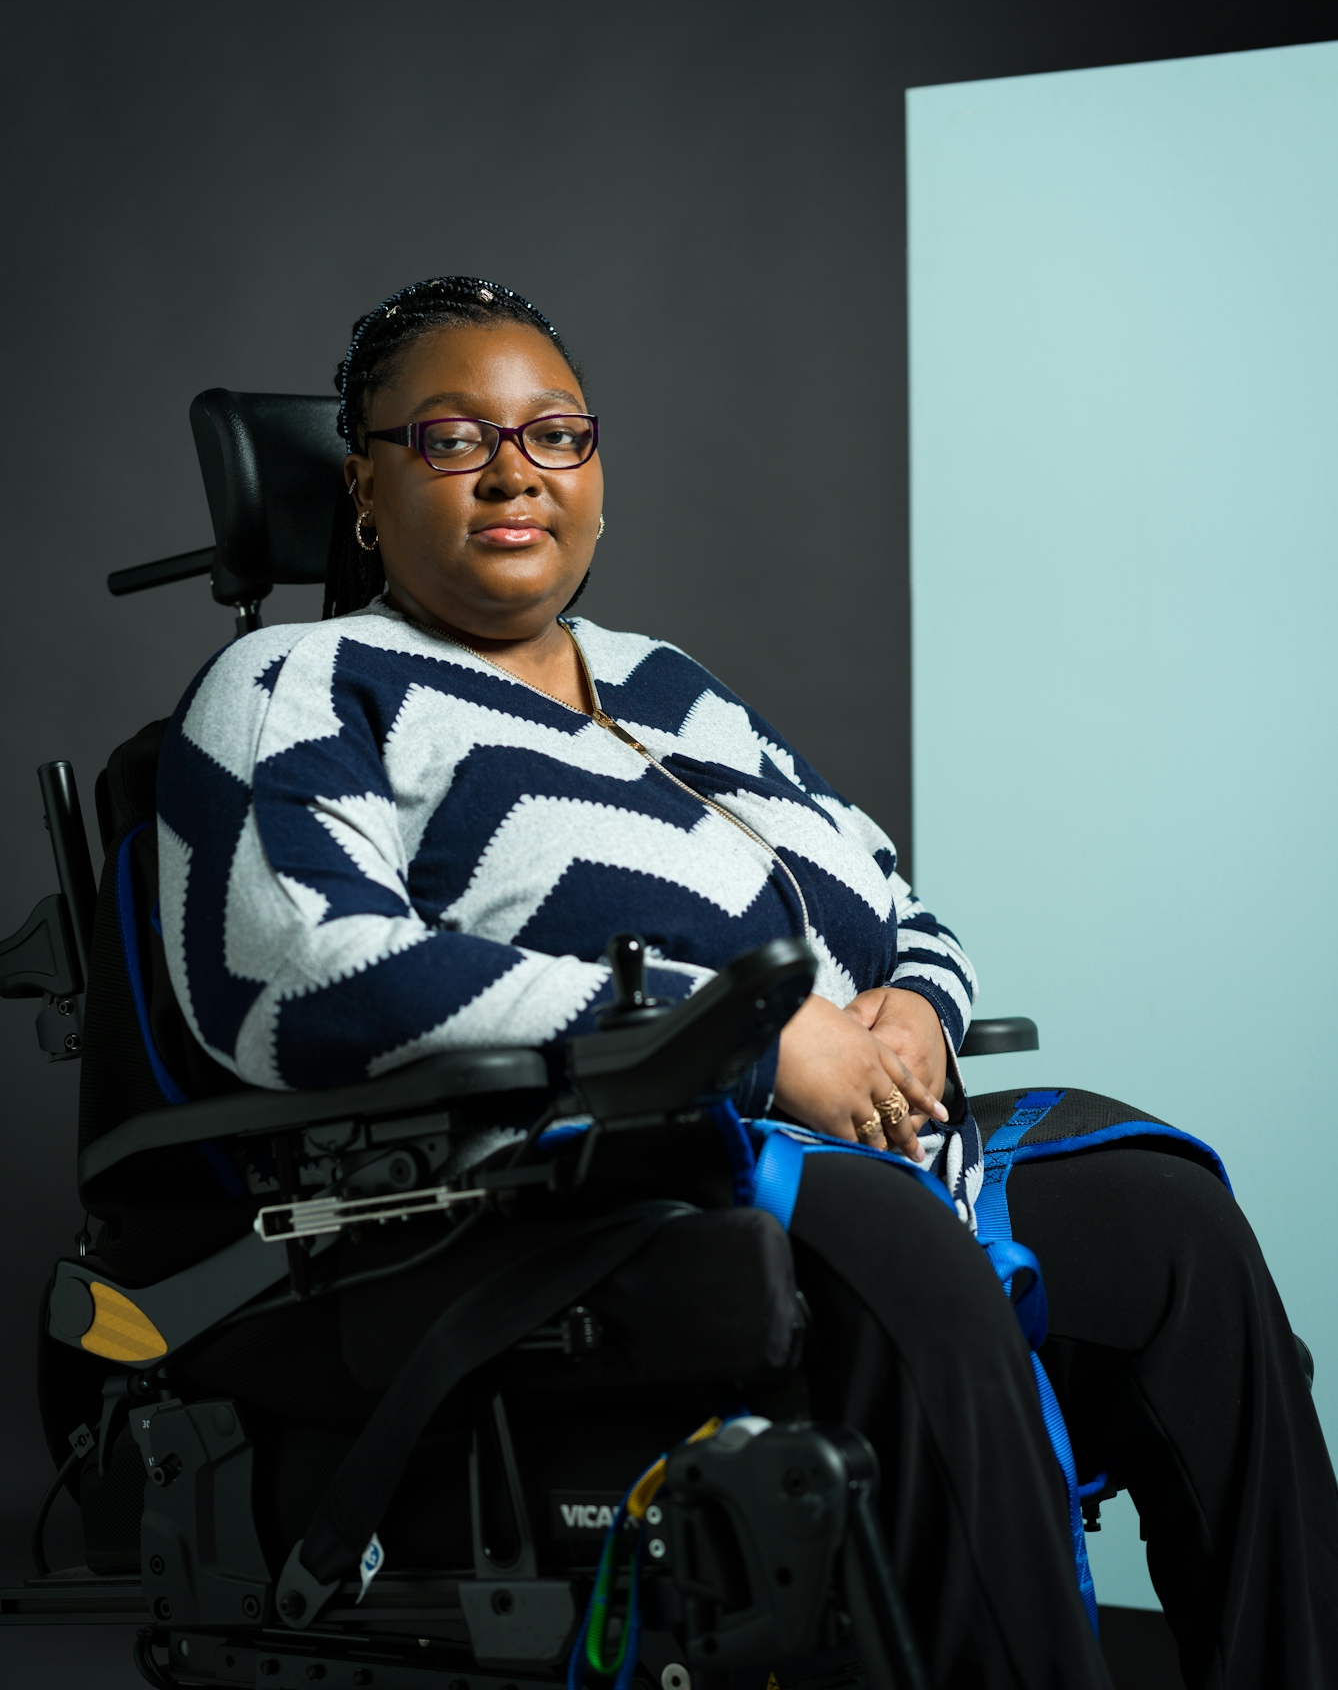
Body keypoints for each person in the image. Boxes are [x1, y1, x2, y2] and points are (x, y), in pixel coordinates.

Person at [157, 276, 1338, 1689]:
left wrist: (910, 1009)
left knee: (1165, 1221)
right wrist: (752, 1049)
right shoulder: (302, 679)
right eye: (453, 439)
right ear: (364, 484)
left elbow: (898, 904)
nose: (513, 472)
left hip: (844, 1148)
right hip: (543, 1188)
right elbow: (291, 971)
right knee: (886, 1250)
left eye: (555, 436)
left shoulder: (666, 684)